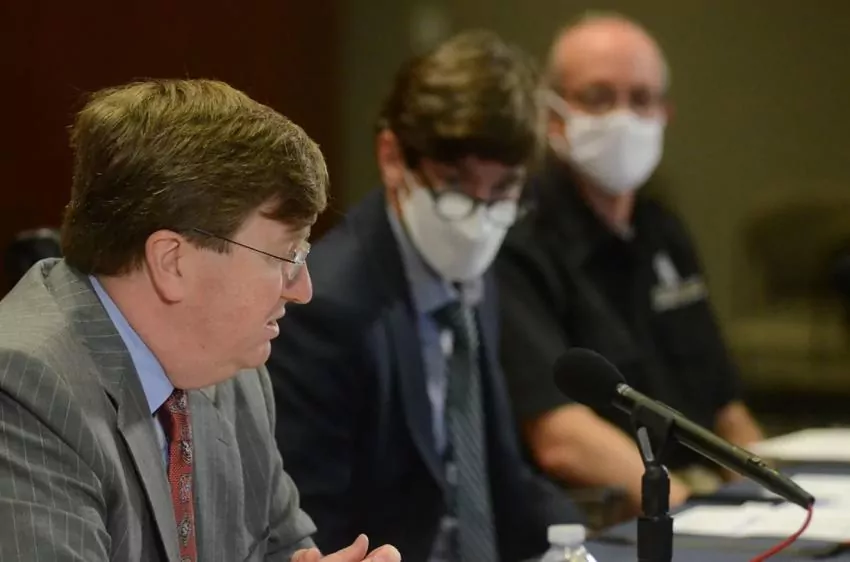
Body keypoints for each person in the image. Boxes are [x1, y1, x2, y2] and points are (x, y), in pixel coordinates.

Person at [0, 79, 400, 562]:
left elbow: (282, 546)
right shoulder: (23, 390)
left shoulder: (231, 369)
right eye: (285, 256)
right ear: (172, 261)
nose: (302, 289)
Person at [268, 30, 580, 562]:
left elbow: (498, 474)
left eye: (502, 191)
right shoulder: (328, 306)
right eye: (455, 185)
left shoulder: (477, 275)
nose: (477, 222)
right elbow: (314, 527)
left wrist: (581, 545)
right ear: (393, 157)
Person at [496, 13, 764, 515]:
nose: (623, 116)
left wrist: (774, 496)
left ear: (665, 113)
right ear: (552, 114)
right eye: (598, 97)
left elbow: (726, 409)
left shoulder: (663, 227)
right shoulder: (517, 242)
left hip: (703, 501)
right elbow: (560, 436)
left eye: (641, 99)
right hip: (609, 512)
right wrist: (685, 512)